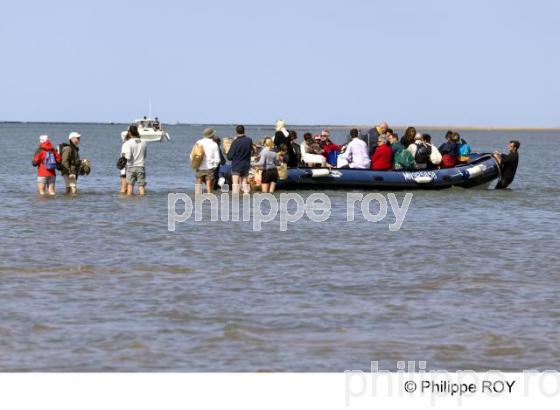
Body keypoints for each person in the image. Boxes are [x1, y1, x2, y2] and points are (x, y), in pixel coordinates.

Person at [121, 126, 148, 196]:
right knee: (141, 187)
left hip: (131, 167)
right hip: (141, 166)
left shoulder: (128, 143)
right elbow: (144, 156)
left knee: (130, 187)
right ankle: (143, 203)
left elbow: (128, 156)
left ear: (129, 133)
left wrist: (123, 155)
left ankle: (131, 204)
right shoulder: (144, 142)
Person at [227, 125, 253, 194]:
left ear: (236, 131)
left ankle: (235, 200)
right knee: (244, 182)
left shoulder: (235, 142)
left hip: (236, 165)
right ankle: (246, 198)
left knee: (235, 184)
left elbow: (229, 157)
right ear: (244, 131)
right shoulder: (249, 140)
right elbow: (252, 151)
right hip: (246, 165)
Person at [194, 128, 221, 194]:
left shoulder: (198, 142)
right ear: (212, 135)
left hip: (199, 165)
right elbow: (217, 159)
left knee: (199, 182)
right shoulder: (214, 144)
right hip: (210, 167)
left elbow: (194, 154)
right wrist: (214, 166)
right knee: (209, 183)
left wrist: (195, 164)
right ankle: (209, 199)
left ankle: (197, 197)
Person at [119, 128, 132, 193]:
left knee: (124, 186)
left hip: (124, 167)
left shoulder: (125, 144)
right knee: (129, 186)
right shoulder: (130, 144)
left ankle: (123, 199)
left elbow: (123, 156)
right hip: (129, 167)